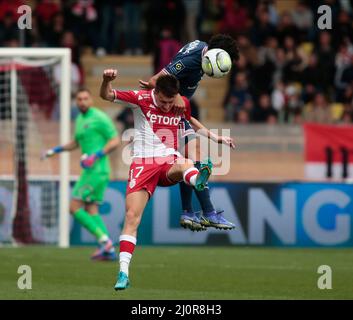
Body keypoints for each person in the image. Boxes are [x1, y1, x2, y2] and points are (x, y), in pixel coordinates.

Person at [100, 70, 213, 290]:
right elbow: (106, 95)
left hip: (168, 162)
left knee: (185, 162)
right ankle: (123, 273)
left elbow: (191, 121)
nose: (167, 106)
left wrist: (215, 136)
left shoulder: (180, 104)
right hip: (143, 164)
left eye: (171, 101)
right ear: (155, 92)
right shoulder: (140, 98)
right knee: (132, 217)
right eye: (163, 101)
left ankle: (197, 178)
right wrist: (106, 80)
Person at [139, 34, 239, 231]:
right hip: (165, 115)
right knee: (198, 158)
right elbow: (154, 81)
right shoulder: (192, 61)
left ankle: (188, 211)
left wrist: (215, 137)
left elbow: (184, 112)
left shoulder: (201, 50)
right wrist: (174, 97)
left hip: (176, 115)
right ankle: (208, 213)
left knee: (190, 162)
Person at [42, 89, 120, 261]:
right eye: (79, 99)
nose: (82, 101)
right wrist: (56, 150)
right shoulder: (79, 119)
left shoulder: (99, 117)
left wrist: (96, 155)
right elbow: (76, 142)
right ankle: (107, 249)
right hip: (93, 171)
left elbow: (115, 140)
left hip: (96, 170)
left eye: (85, 98)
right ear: (76, 102)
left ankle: (105, 241)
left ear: (91, 100)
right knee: (91, 209)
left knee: (74, 207)